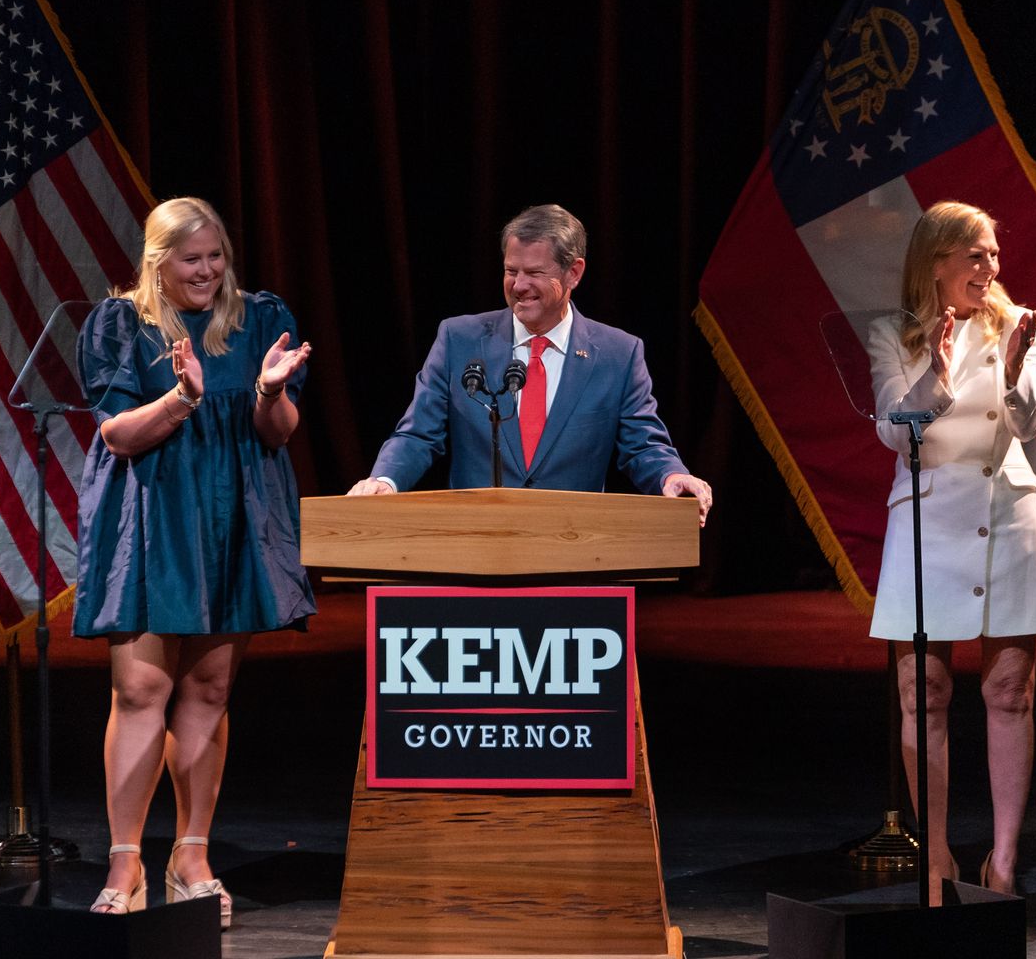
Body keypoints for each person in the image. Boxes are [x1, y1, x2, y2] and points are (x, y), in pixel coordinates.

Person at [73, 197, 314, 928]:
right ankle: (125, 863)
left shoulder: (262, 318)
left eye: (215, 256)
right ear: (157, 263)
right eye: (191, 259)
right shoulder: (120, 324)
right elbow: (117, 435)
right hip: (152, 517)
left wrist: (270, 391)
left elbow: (279, 433)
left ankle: (191, 857)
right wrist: (180, 398)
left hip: (235, 512)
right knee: (142, 687)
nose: (207, 271)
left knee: (208, 688)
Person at [864, 201, 1036, 903]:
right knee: (925, 693)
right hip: (925, 524)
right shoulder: (891, 333)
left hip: (1005, 514)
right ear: (938, 260)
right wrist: (939, 375)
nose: (991, 268)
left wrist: (1015, 372)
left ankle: (1004, 860)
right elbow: (897, 432)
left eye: (993, 255)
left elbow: (1031, 420)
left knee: (1010, 691)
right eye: (976, 255)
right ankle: (940, 856)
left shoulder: (1015, 324)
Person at [346, 203, 710, 519]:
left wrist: (671, 476)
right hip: (474, 548)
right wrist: (384, 480)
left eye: (535, 273)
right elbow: (418, 432)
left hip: (575, 551)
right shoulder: (459, 340)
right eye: (510, 271)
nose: (519, 285)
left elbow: (643, 444)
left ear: (574, 272)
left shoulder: (618, 354)